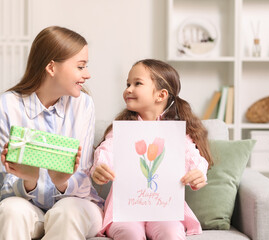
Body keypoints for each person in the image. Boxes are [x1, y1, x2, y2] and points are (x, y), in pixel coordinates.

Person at [0, 26, 104, 240]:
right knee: (10, 212)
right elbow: (7, 182)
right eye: (80, 66)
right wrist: (29, 181)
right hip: (24, 204)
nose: (87, 74)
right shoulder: (3, 108)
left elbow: (83, 180)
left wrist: (62, 182)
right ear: (51, 67)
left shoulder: (83, 105)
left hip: (76, 203)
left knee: (67, 214)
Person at [90, 59, 213, 240]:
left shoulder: (175, 132)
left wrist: (198, 174)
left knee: (171, 233)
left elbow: (194, 158)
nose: (128, 89)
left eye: (137, 83)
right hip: (126, 209)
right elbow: (106, 151)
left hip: (165, 209)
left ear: (160, 95)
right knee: (129, 233)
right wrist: (99, 168)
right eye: (127, 84)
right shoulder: (122, 129)